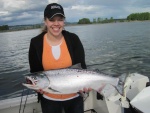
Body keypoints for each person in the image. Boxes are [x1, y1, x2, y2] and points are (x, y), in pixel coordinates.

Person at [28, 3, 91, 113]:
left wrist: (86, 85)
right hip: (49, 101)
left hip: (75, 99)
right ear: (45, 21)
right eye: (52, 20)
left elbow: (82, 68)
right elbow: (35, 73)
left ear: (64, 21)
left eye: (60, 19)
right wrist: (38, 89)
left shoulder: (73, 39)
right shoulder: (35, 43)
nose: (56, 24)